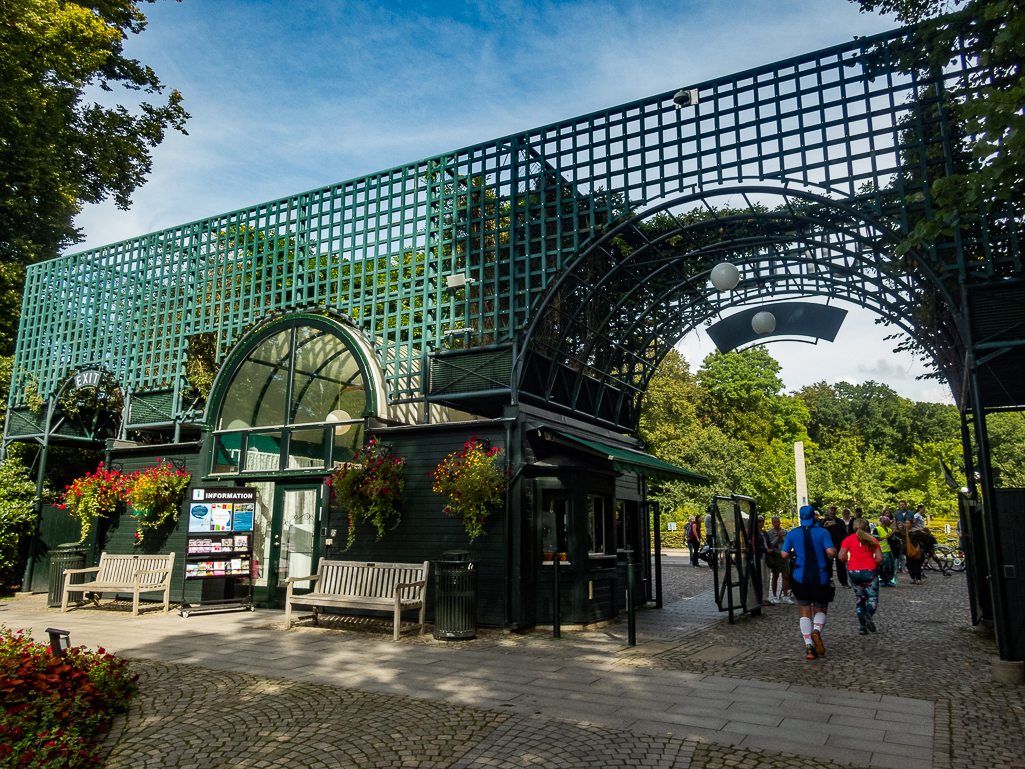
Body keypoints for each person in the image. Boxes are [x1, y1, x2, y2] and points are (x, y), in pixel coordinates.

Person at [782, 505, 837, 659]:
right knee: (820, 608)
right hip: (820, 575)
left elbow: (784, 553)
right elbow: (831, 552)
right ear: (814, 517)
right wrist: (828, 558)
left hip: (800, 576)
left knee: (804, 611)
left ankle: (808, 646)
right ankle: (816, 632)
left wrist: (794, 556)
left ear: (800, 517)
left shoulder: (793, 533)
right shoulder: (823, 532)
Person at [838, 518, 883, 634]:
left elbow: (841, 557)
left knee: (860, 598)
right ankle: (868, 614)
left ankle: (862, 627)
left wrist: (849, 560)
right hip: (869, 570)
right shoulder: (873, 540)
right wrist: (873, 563)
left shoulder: (847, 540)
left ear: (853, 527)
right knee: (872, 597)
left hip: (853, 570)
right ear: (866, 527)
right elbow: (879, 558)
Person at [765, 515, 792, 603]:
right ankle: (775, 596)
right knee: (775, 575)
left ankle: (785, 595)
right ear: (772, 523)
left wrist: (782, 538)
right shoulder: (769, 532)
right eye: (774, 522)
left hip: (783, 554)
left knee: (786, 575)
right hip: (775, 554)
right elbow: (770, 545)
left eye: (777, 521)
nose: (776, 523)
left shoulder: (785, 531)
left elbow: (788, 543)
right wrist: (777, 539)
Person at [822, 506, 850, 589]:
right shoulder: (823, 521)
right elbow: (820, 531)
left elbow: (844, 533)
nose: (832, 512)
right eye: (831, 510)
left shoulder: (840, 522)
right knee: (828, 563)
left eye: (834, 510)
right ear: (829, 511)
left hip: (839, 545)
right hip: (828, 546)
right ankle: (828, 580)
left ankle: (844, 582)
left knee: (841, 563)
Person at [873, 515, 897, 587]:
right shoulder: (877, 529)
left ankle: (888, 580)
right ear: (884, 522)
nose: (890, 523)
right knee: (881, 566)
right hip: (881, 551)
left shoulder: (889, 530)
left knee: (889, 566)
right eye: (888, 521)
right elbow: (875, 538)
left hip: (889, 551)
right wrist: (886, 536)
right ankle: (882, 580)